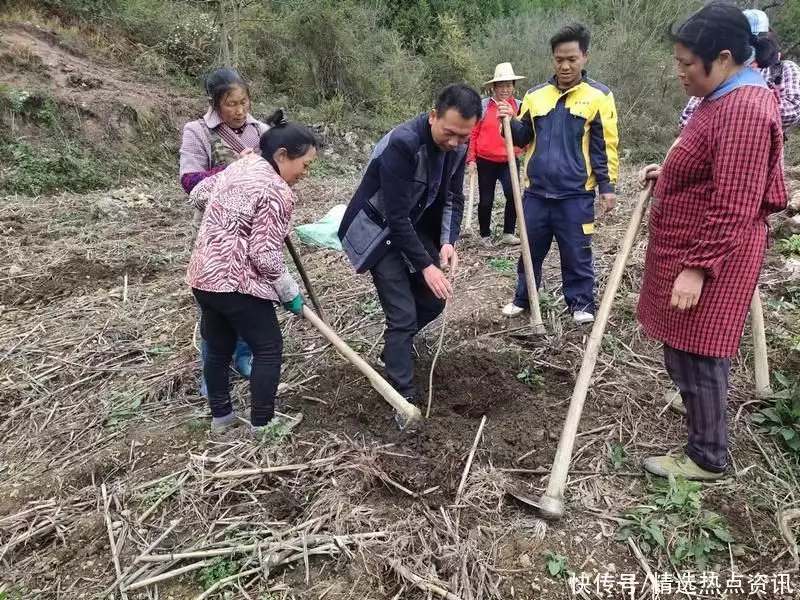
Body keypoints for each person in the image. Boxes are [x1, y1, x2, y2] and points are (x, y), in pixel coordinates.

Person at [637, 3, 786, 480]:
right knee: (685, 341)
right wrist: (676, 172)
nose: (678, 72)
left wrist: (697, 267)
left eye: (685, 64)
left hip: (713, 253)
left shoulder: (742, 108)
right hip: (692, 243)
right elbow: (717, 165)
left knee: (700, 347)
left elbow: (735, 202)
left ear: (722, 58)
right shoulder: (722, 96)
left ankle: (706, 453)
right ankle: (696, 403)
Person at [338, 83, 482, 429]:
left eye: (464, 136)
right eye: (449, 132)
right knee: (401, 316)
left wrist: (448, 242)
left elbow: (453, 197)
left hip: (413, 226)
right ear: (433, 116)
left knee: (433, 302)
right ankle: (402, 398)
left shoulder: (458, 148)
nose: (455, 142)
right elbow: (396, 217)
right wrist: (426, 265)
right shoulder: (403, 145)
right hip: (380, 230)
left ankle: (393, 351)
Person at [187, 109, 317, 436]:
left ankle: (222, 419)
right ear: (282, 155)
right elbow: (263, 254)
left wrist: (232, 208)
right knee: (268, 347)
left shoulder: (242, 164)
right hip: (235, 283)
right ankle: (264, 423)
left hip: (204, 275)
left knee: (216, 348)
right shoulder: (278, 191)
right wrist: (289, 291)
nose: (306, 173)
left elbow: (199, 193)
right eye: (305, 165)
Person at [497, 24, 619, 325]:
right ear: (552, 58)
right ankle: (523, 299)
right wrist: (508, 123)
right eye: (558, 59)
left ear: (585, 57)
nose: (564, 65)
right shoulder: (536, 95)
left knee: (576, 253)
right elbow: (523, 136)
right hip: (536, 193)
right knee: (529, 251)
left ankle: (581, 304)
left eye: (571, 59)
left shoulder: (599, 96)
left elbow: (605, 144)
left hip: (575, 195)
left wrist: (607, 185)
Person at [179, 68, 270, 398]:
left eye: (244, 102)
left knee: (251, 296)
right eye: (231, 104)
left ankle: (244, 357)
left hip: (253, 230)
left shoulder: (261, 130)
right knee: (216, 306)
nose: (239, 110)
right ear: (213, 103)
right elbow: (189, 181)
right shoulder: (198, 132)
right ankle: (213, 369)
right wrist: (234, 168)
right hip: (215, 234)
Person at [680, 10, 800, 134]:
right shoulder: (721, 67)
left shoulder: (784, 69)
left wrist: (740, 112)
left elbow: (794, 110)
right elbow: (687, 116)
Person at [467, 63, 526, 247]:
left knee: (513, 195)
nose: (505, 89)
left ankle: (508, 233)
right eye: (501, 86)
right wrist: (471, 159)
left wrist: (522, 149)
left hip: (509, 160)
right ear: (493, 87)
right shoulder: (484, 107)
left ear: (513, 87)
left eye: (509, 85)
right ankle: (485, 235)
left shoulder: (519, 106)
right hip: (486, 161)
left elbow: (526, 132)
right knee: (486, 200)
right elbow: (473, 134)